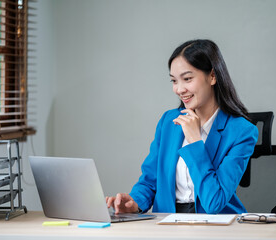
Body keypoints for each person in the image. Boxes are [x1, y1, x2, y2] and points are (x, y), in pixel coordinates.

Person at [106, 39, 258, 214]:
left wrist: (195, 141)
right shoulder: (169, 121)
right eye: (174, 81)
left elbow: (214, 202)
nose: (179, 89)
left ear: (212, 76)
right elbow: (150, 180)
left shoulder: (242, 132)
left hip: (218, 227)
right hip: (168, 223)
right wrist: (135, 203)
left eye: (187, 79)